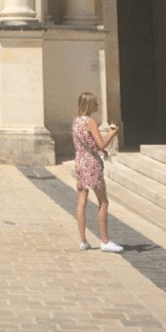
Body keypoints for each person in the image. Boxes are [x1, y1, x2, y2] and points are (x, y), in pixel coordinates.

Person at [73, 92, 122, 252]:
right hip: (92, 164)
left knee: (82, 202)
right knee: (103, 202)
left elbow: (87, 144)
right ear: (88, 105)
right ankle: (105, 240)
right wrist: (112, 135)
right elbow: (101, 144)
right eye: (95, 104)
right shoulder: (90, 122)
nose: (97, 106)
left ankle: (83, 240)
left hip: (80, 162)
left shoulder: (76, 121)